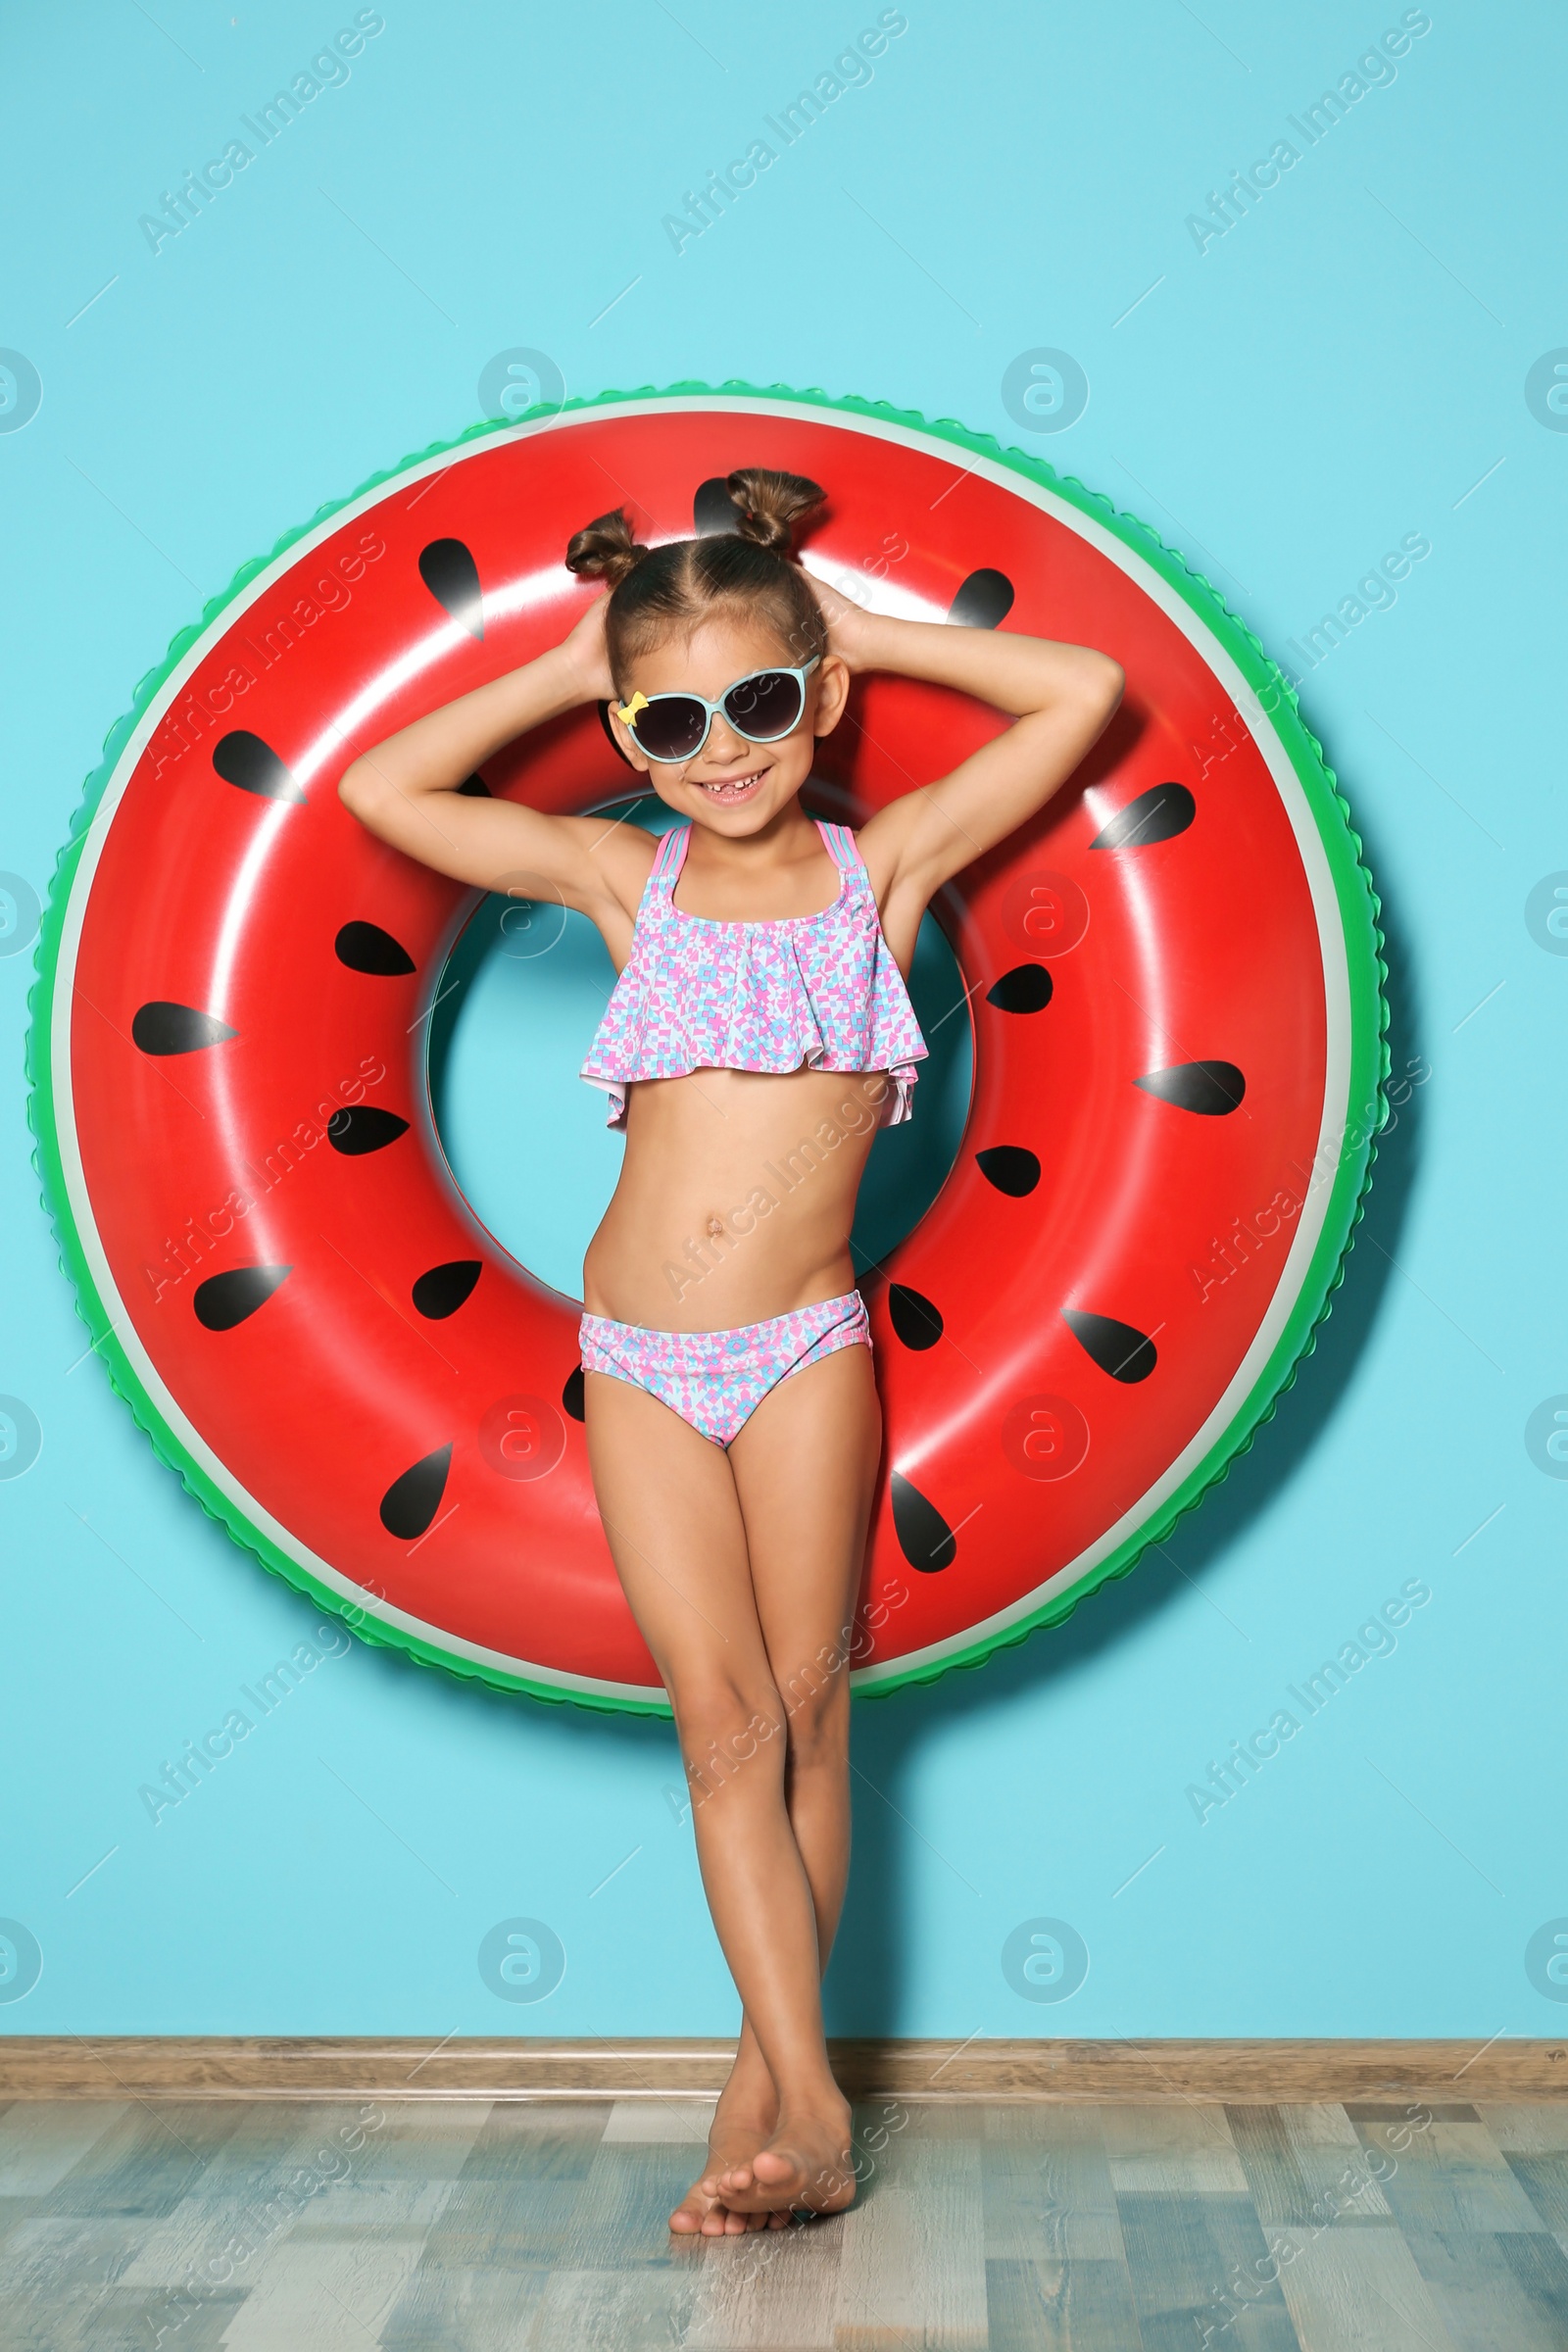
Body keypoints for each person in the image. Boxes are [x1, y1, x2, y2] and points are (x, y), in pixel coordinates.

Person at [338, 466, 1123, 2232]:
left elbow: (1078, 695)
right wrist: (564, 670)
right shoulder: (630, 879)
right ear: (630, 730)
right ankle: (818, 2108)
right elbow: (385, 790)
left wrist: (862, 628)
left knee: (817, 1716)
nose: (724, 748)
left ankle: (761, 2095)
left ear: (819, 692)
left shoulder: (884, 866)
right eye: (672, 718)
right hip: (637, 1360)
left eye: (762, 701)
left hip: (803, 1351)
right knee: (722, 1725)